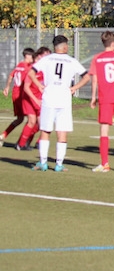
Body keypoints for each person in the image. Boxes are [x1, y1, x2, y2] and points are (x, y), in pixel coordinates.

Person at [24, 35, 90, 172]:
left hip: (49, 98)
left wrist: (39, 85)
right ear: (65, 47)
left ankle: (43, 163)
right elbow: (87, 76)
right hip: (64, 99)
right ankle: (59, 164)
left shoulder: (47, 59)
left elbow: (31, 72)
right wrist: (74, 88)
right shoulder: (71, 61)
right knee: (62, 131)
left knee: (45, 130)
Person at [88, 31, 114, 172]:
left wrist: (93, 97)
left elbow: (94, 79)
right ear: (113, 43)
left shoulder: (97, 58)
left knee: (104, 129)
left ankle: (105, 163)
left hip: (105, 97)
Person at [13, 47, 49, 151]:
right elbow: (26, 87)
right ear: (39, 56)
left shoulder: (45, 69)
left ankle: (27, 141)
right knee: (32, 121)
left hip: (40, 99)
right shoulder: (32, 69)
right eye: (45, 55)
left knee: (41, 124)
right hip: (29, 99)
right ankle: (21, 144)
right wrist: (35, 99)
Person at [2, 47, 35, 145]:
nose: (33, 58)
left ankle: (3, 135)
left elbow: (10, 76)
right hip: (22, 95)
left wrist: (7, 87)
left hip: (15, 93)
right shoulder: (28, 67)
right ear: (27, 56)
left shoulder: (19, 65)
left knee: (20, 119)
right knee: (32, 118)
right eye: (32, 56)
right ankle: (23, 141)